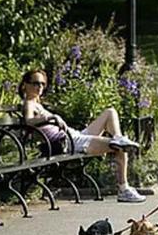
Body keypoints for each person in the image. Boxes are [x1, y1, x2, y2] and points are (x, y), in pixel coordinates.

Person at [20, 70, 146, 203]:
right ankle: (123, 189)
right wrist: (51, 117)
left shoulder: (37, 104)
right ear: (25, 85)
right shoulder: (29, 103)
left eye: (42, 84)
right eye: (35, 83)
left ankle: (118, 137)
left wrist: (50, 117)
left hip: (75, 136)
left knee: (110, 112)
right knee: (120, 148)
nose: (39, 87)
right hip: (68, 142)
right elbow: (28, 121)